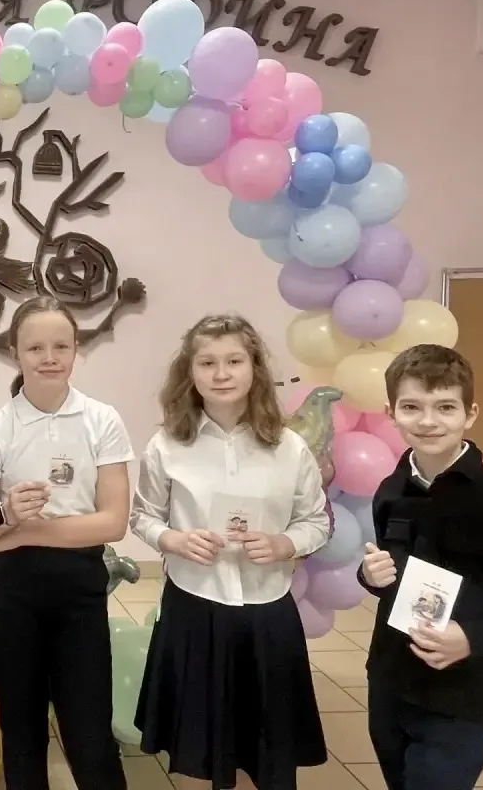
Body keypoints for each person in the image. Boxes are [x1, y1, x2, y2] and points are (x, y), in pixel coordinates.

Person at [131, 313, 329, 790]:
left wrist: (284, 544)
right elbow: (143, 516)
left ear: (254, 368)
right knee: (202, 745)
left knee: (269, 747)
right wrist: (174, 540)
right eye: (207, 362)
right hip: (195, 604)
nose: (221, 374)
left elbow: (317, 522)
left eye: (234, 361)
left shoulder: (290, 447)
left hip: (267, 608)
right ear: (190, 372)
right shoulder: (166, 446)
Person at [359, 344, 483, 790]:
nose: (428, 421)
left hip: (464, 698)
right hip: (391, 683)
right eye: (412, 407)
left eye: (445, 407)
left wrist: (474, 637)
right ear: (391, 413)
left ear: (470, 414)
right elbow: (393, 572)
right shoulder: (391, 490)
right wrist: (369, 577)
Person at [0, 295, 132, 790]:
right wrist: (6, 514)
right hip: (10, 592)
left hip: (79, 587)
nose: (49, 357)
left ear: (76, 349)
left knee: (90, 733)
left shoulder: (102, 420)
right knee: (21, 730)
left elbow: (113, 523)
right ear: (15, 352)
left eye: (61, 346)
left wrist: (23, 530)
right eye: (36, 348)